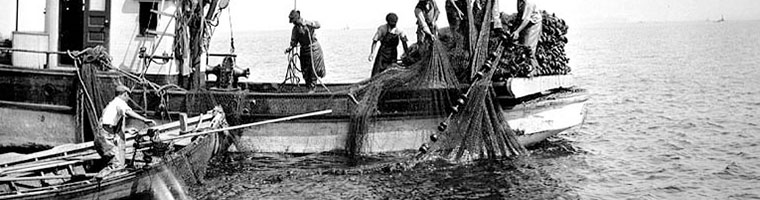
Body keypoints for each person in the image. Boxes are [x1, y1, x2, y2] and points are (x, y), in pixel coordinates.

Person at [95, 85, 155, 179]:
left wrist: (127, 130)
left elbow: (109, 123)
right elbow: (128, 112)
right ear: (125, 94)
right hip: (106, 138)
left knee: (112, 160)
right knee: (117, 164)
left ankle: (107, 179)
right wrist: (144, 120)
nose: (128, 99)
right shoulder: (120, 102)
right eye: (128, 96)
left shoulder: (111, 105)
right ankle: (98, 180)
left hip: (101, 137)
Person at [285, 10, 326, 91]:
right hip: (304, 50)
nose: (293, 23)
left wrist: (308, 23)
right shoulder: (295, 29)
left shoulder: (307, 24)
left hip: (314, 49)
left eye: (294, 21)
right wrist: (290, 48)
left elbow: (318, 25)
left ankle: (312, 89)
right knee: (305, 71)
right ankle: (308, 88)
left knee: (313, 71)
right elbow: (294, 42)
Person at [511, 0, 542, 68]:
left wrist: (517, 31)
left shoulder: (528, 2)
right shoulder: (519, 1)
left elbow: (526, 19)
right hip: (526, 22)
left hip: (534, 23)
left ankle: (532, 69)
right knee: (521, 44)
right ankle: (521, 67)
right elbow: (520, 14)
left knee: (528, 47)